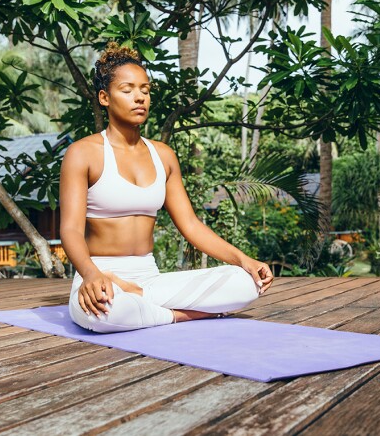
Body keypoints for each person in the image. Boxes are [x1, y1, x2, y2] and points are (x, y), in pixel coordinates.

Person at [59, 42, 274, 333]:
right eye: (127, 90)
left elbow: (191, 225)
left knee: (246, 284)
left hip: (150, 279)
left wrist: (244, 260)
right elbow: (70, 230)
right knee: (107, 311)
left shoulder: (163, 156)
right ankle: (185, 316)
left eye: (145, 90)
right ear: (104, 97)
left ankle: (146, 304)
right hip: (101, 275)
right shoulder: (83, 153)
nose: (139, 98)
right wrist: (90, 274)